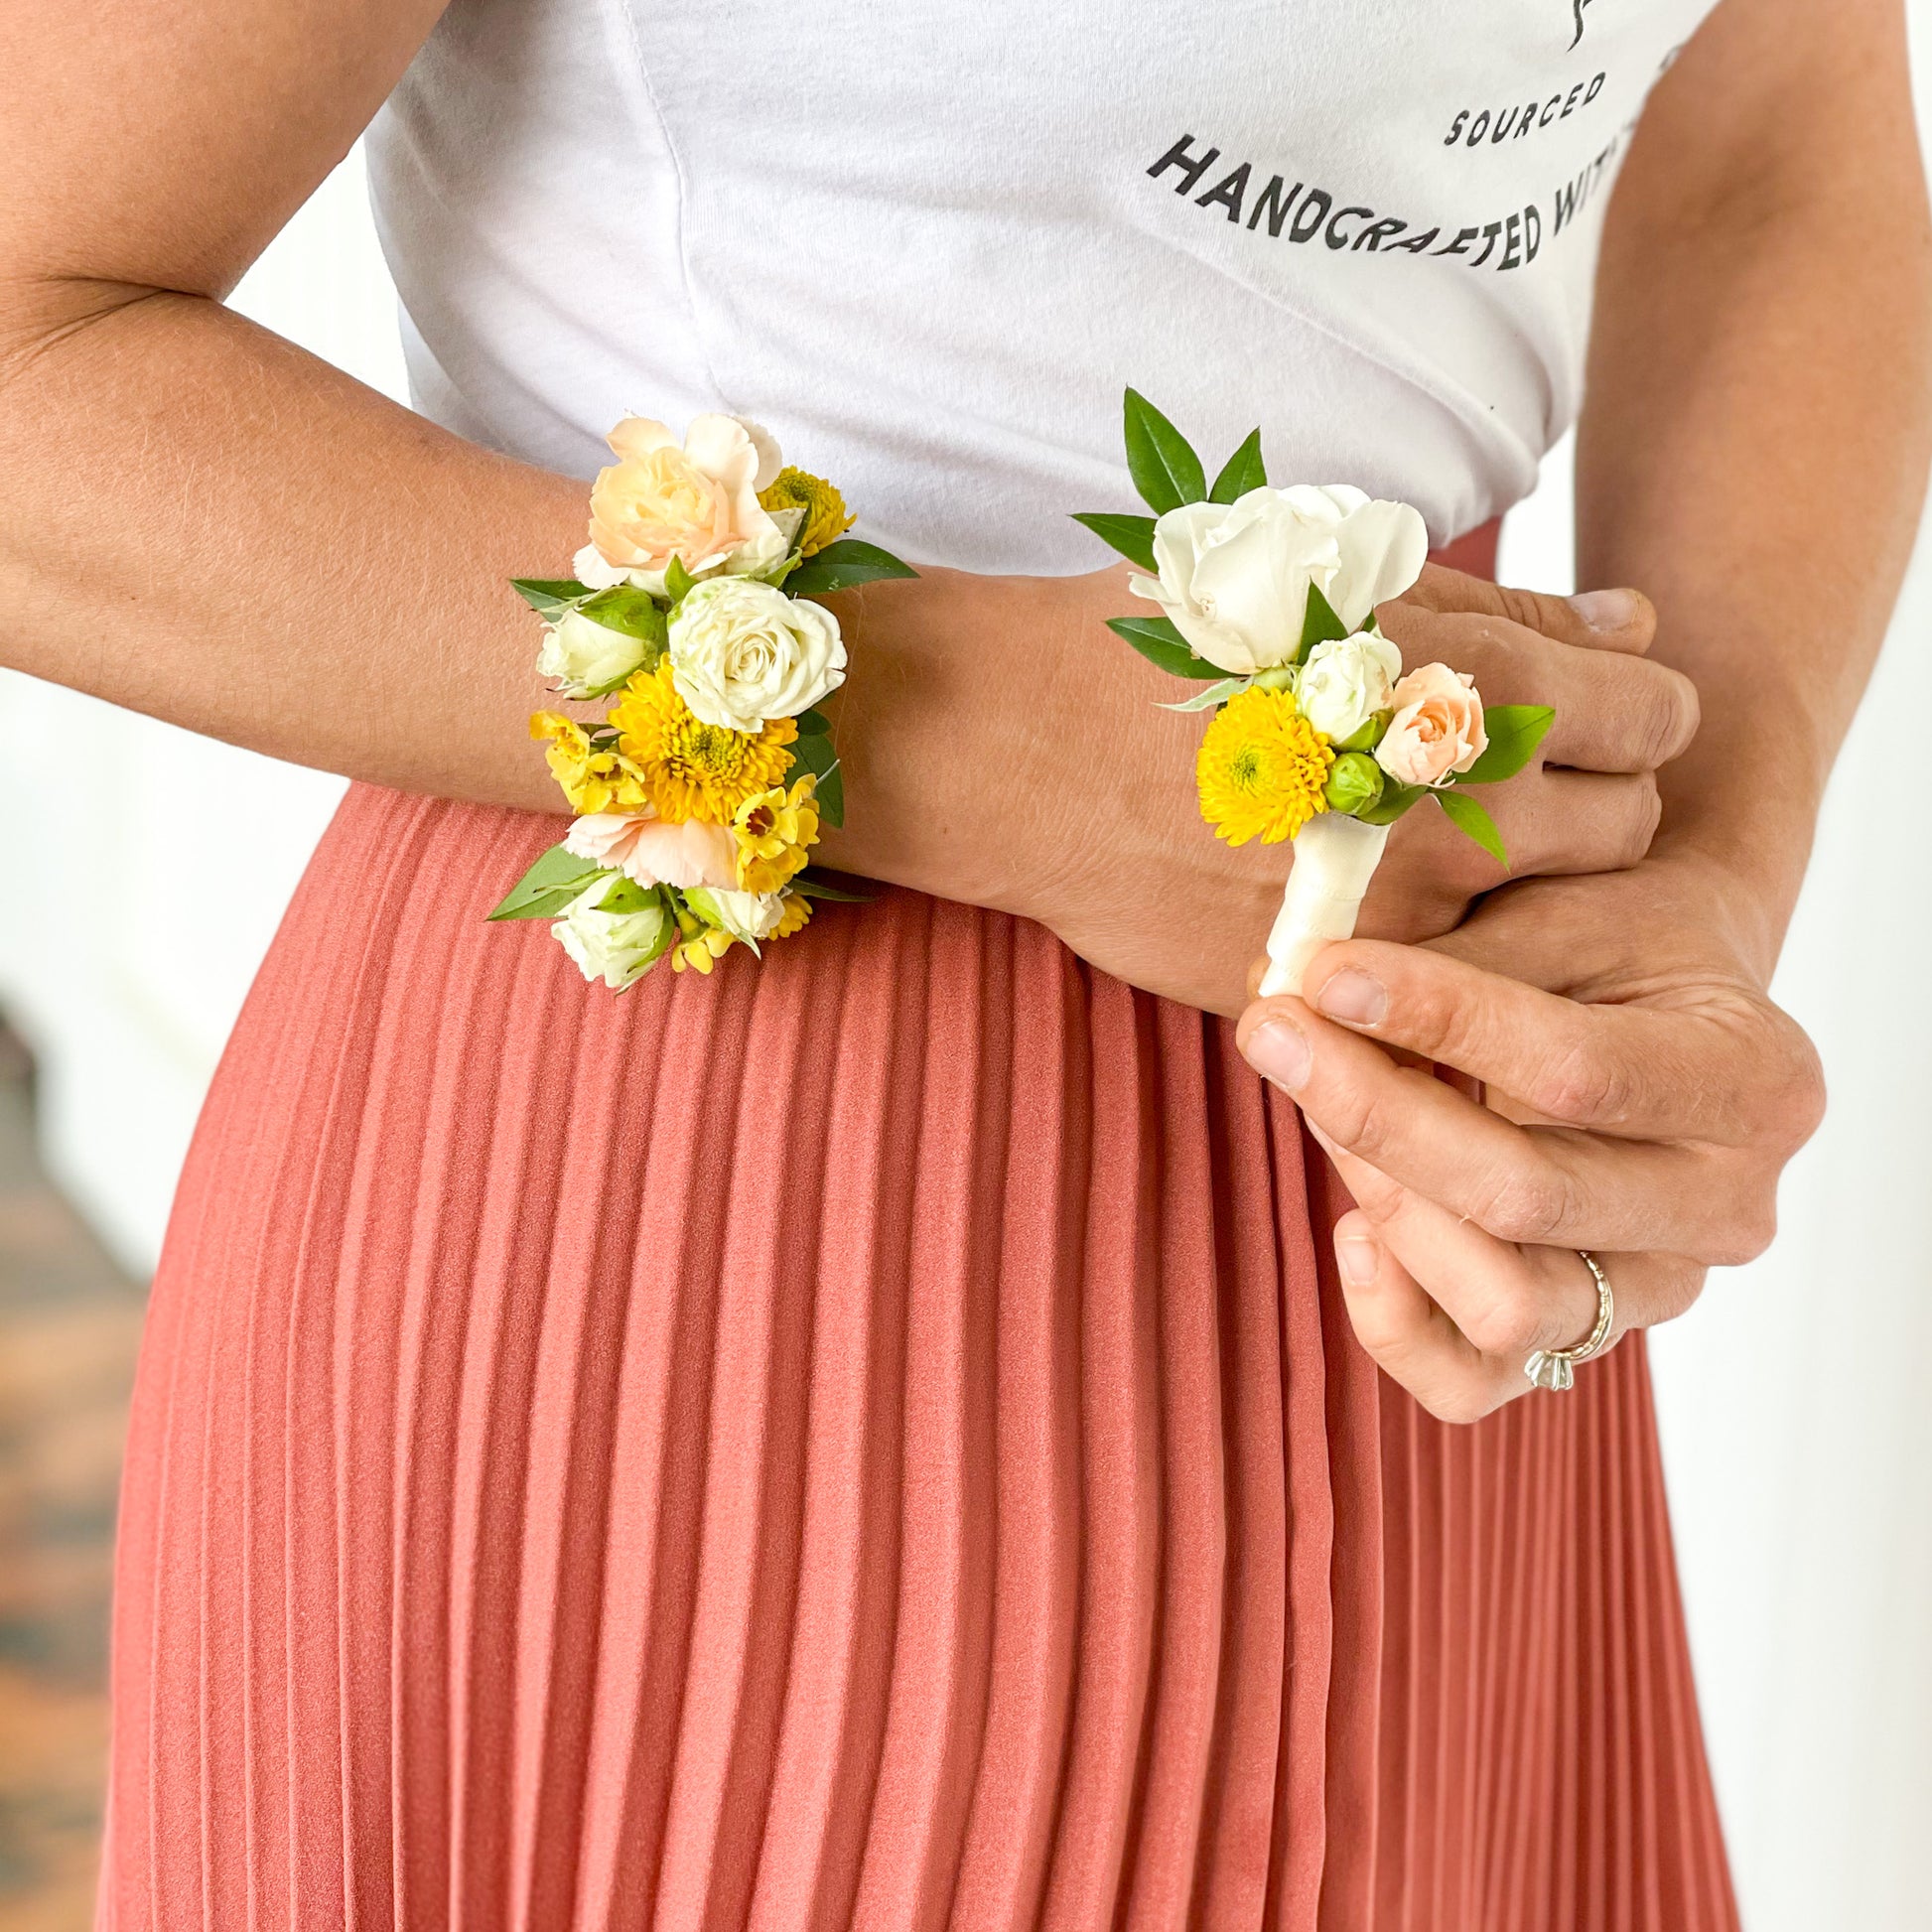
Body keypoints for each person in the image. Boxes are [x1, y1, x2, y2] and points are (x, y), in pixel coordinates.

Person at [1, 0, 1924, 1925]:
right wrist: (982, 739)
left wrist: (1693, 890)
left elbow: (1771, 122)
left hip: (1427, 1224)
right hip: (699, 1216)